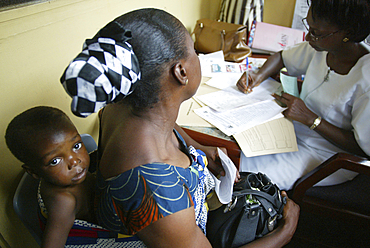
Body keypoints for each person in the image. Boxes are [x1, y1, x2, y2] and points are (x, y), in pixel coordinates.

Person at [60, 8, 299, 247]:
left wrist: (199, 147)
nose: (197, 56)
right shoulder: (159, 193)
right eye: (194, 52)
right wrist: (284, 233)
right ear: (181, 72)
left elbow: (167, 124)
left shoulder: (123, 105)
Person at [237, 0, 370, 190]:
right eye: (309, 26)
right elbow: (282, 57)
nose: (308, 37)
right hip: (291, 133)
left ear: (347, 33)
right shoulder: (322, 47)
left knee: (245, 177)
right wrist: (259, 74)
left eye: (316, 32)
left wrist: (311, 119)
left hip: (326, 156)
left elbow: (363, 149)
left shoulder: (366, 78)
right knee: (233, 153)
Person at [5, 106, 96, 248]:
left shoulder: (71, 175)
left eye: (76, 145)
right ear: (33, 172)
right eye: (55, 161)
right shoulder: (63, 201)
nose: (74, 161)